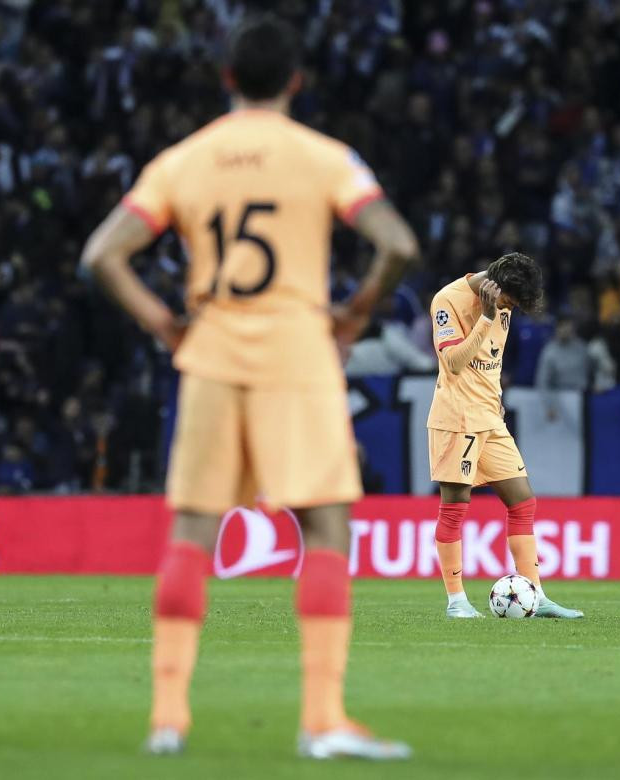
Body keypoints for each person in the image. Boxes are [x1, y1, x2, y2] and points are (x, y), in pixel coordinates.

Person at [81, 16, 418, 760]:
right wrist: (357, 311)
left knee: (193, 534)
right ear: (295, 81)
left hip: (211, 353)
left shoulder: (183, 162)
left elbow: (103, 254)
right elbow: (397, 242)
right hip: (299, 354)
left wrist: (165, 326)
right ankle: (323, 719)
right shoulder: (325, 158)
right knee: (326, 529)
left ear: (227, 80)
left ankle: (168, 717)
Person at [426, 252, 583, 620]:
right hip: (457, 419)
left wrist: (496, 400)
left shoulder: (503, 303)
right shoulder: (447, 300)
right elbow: (453, 362)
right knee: (454, 509)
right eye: (509, 301)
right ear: (494, 286)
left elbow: (490, 362)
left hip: (490, 418)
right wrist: (485, 316)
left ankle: (536, 595)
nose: (508, 308)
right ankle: (457, 602)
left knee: (523, 502)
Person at [535, 316, 590, 420]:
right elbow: (542, 381)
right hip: (560, 399)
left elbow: (591, 371)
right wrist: (549, 405)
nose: (565, 329)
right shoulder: (549, 351)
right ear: (556, 329)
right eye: (562, 326)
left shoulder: (582, 348)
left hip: (583, 399)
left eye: (568, 326)